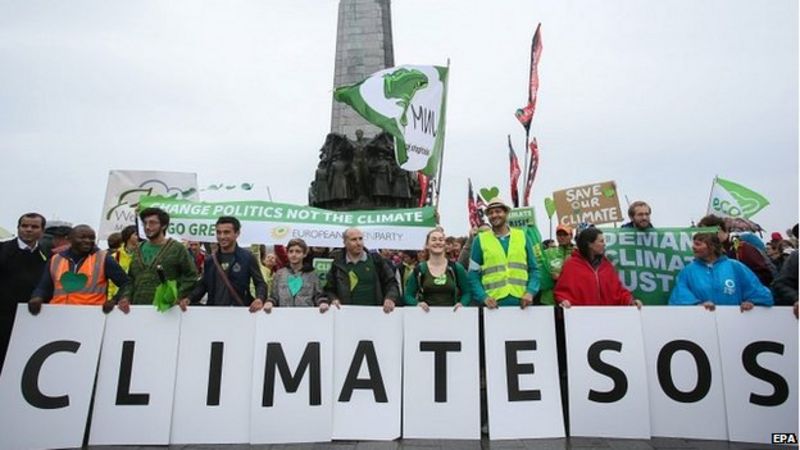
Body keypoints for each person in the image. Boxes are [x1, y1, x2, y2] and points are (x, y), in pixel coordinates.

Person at [28, 225, 129, 314]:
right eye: (82, 237)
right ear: (70, 239)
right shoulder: (55, 259)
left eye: (91, 238)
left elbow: (126, 283)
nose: (87, 241)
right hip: (58, 314)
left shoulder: (103, 258)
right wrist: (37, 297)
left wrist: (114, 301)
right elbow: (44, 286)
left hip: (91, 314)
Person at [117, 207, 197, 311]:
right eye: (145, 223)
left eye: (152, 223)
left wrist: (177, 295)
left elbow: (191, 276)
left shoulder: (177, 249)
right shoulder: (137, 250)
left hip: (166, 311)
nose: (147, 227)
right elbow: (131, 279)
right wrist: (126, 297)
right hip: (137, 310)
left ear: (164, 226)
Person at [180, 216, 266, 312]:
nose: (222, 236)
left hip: (240, 313)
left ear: (237, 233)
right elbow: (203, 285)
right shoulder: (210, 260)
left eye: (226, 232)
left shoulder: (247, 257)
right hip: (214, 313)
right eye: (218, 232)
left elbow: (260, 283)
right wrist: (189, 298)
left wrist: (259, 298)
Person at [669, 232, 773, 311]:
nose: (693, 247)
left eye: (698, 244)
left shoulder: (735, 266)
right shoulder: (688, 271)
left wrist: (751, 302)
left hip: (735, 324)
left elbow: (758, 291)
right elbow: (679, 294)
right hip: (700, 324)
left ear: (712, 247)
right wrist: (697, 305)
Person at [467, 197, 539, 308]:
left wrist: (530, 291)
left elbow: (534, 269)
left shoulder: (522, 236)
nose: (494, 215)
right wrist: (483, 297)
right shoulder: (480, 240)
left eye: (498, 211)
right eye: (490, 213)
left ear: (506, 213)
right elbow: (472, 274)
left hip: (522, 303)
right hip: (493, 305)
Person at [0, 213, 49, 374]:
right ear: (18, 228)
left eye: (34, 227)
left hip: (29, 321)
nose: (28, 230)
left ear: (42, 231)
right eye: (25, 226)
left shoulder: (48, 256)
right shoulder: (3, 250)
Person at [555, 227, 641, 308]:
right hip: (581, 318)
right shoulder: (571, 265)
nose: (604, 244)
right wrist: (564, 301)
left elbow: (618, 291)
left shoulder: (607, 265)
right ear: (590, 244)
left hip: (607, 318)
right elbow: (562, 292)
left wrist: (630, 301)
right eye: (601, 241)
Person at [324, 227, 399, 313]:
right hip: (346, 315)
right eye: (354, 240)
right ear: (345, 242)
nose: (358, 243)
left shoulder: (376, 260)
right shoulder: (337, 264)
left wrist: (390, 298)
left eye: (360, 239)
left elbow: (391, 282)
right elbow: (329, 289)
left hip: (376, 314)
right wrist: (333, 299)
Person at [698, 215, 774, 286]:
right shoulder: (715, 252)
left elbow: (765, 276)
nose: (705, 237)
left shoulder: (740, 246)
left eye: (706, 232)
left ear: (718, 229)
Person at [404, 229, 470, 311]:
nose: (438, 242)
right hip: (425, 317)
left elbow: (467, 293)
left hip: (453, 317)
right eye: (433, 239)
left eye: (441, 240)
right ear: (427, 245)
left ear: (445, 244)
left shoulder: (456, 268)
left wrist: (462, 304)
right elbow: (408, 295)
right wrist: (416, 304)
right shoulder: (419, 270)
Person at [266, 238, 327, 312]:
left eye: (298, 252)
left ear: (304, 254)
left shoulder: (312, 274)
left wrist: (322, 303)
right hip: (283, 316)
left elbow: (319, 295)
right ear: (287, 253)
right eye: (291, 251)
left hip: (306, 316)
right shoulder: (279, 274)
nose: (294, 254)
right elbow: (274, 296)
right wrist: (269, 302)